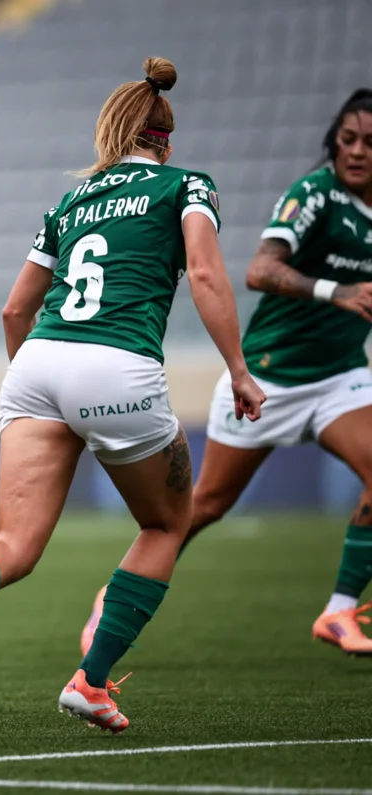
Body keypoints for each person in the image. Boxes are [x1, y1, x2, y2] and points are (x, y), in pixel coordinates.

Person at [0, 58, 266, 733]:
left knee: (14, 544)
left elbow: (13, 310)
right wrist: (237, 367)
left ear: (111, 134)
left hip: (38, 363)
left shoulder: (71, 201)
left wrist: (40, 393)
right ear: (164, 141)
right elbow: (205, 274)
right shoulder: (187, 185)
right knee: (166, 525)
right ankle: (90, 681)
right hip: (117, 366)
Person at [80, 89, 372, 659]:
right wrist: (337, 292)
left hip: (341, 377)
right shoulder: (315, 195)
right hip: (269, 377)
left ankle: (339, 611)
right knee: (205, 505)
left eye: (370, 143)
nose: (358, 151)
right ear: (334, 142)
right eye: (348, 139)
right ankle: (112, 596)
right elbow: (260, 270)